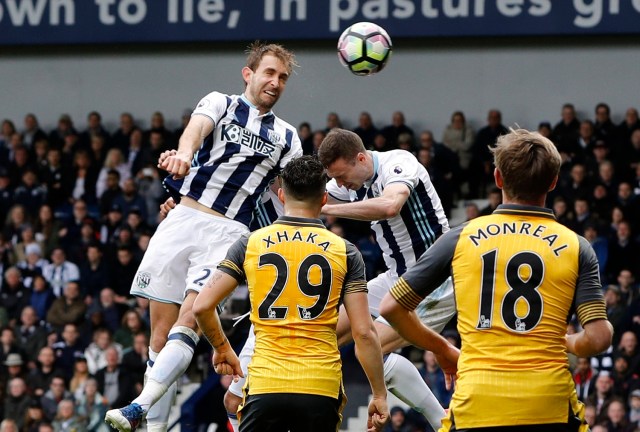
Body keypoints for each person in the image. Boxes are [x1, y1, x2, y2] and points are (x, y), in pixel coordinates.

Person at [105, 41, 302, 432]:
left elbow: (291, 196)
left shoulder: (286, 136)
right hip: (182, 218)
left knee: (192, 317)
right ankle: (153, 424)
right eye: (269, 73)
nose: (275, 82)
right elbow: (196, 129)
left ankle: (138, 407)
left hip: (229, 232)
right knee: (158, 337)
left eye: (282, 77)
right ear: (249, 74)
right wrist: (182, 154)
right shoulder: (222, 103)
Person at [380, 128, 614, 431]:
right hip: (548, 404)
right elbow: (598, 338)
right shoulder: (577, 246)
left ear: (498, 178)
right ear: (553, 182)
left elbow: (391, 308)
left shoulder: (461, 237)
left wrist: (441, 347)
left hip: (478, 402)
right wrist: (567, 341)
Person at [192, 156, 389, 431]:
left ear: (282, 195)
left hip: (265, 385)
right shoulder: (346, 252)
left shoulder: (251, 243)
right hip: (320, 388)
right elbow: (364, 332)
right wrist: (379, 394)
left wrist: (222, 348)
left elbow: (201, 307)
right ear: (323, 200)